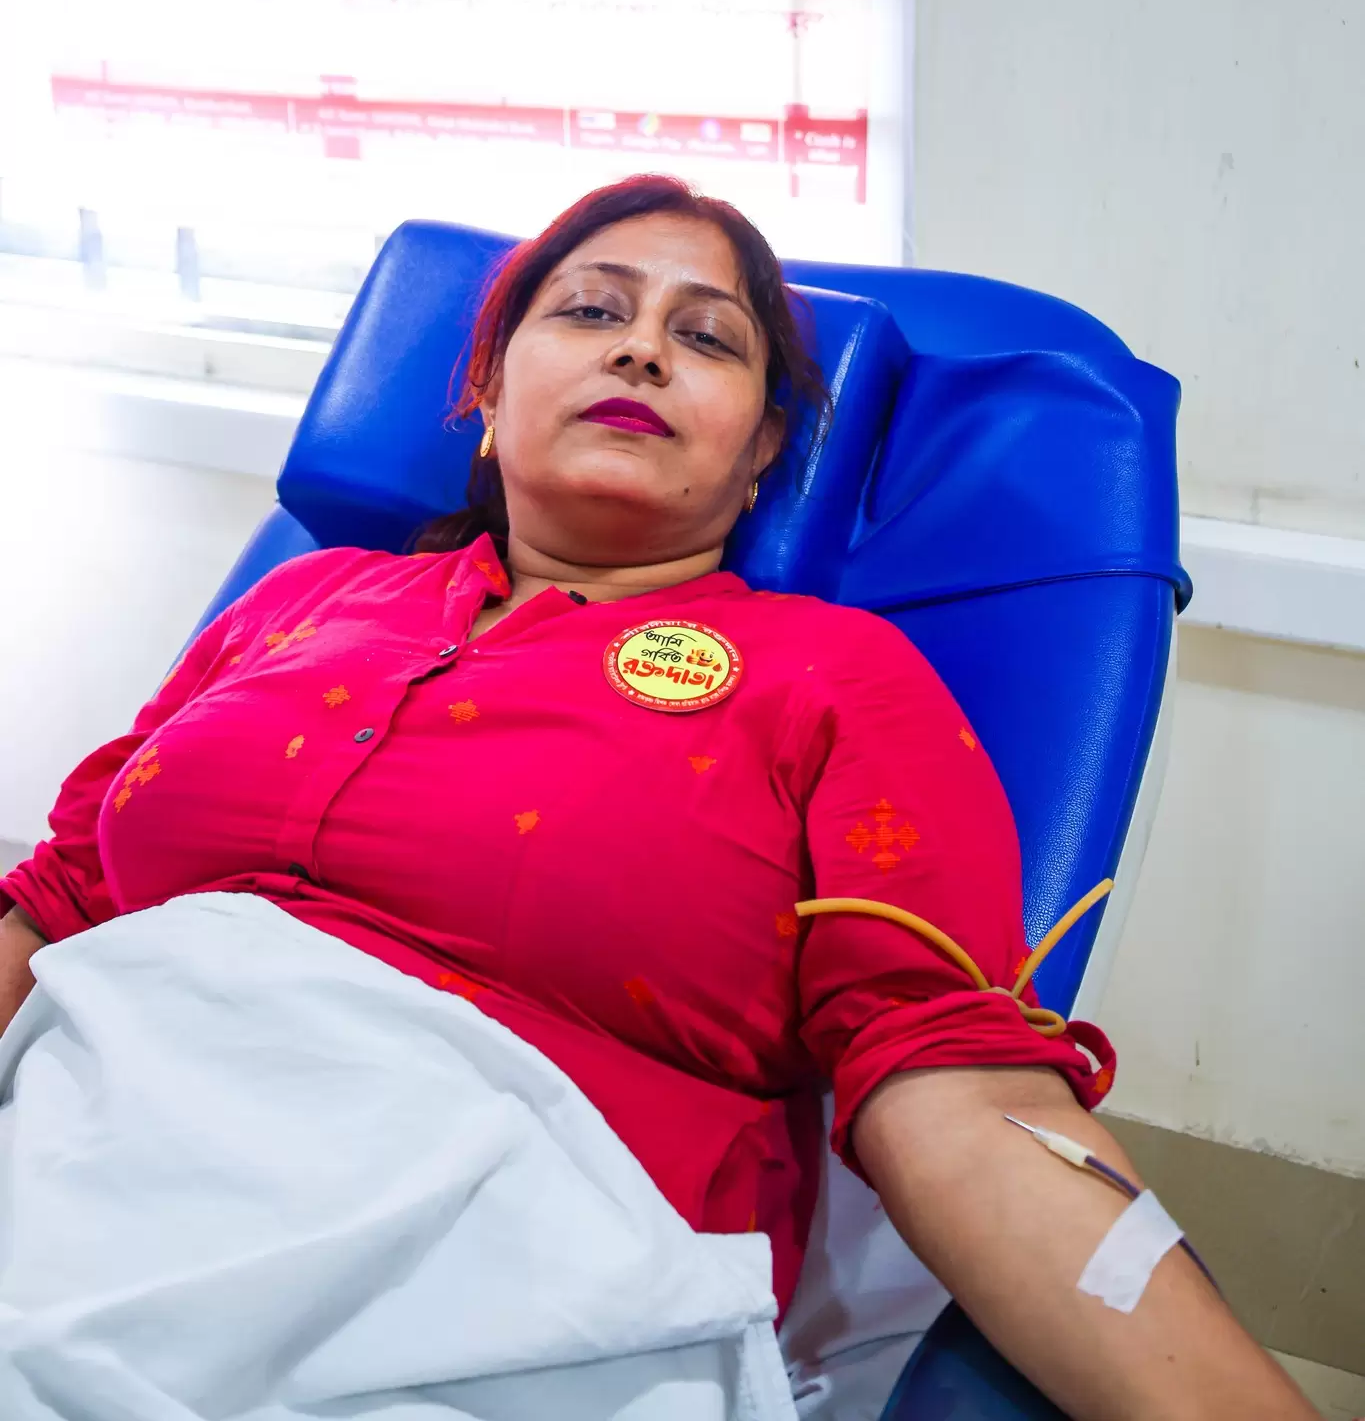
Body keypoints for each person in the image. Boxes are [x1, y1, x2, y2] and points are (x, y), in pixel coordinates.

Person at [0, 176, 1310, 1421]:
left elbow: (955, 1087)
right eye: (591, 310)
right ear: (487, 388)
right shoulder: (302, 599)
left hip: (482, 1290)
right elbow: (58, 901)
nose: (640, 351)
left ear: (764, 450)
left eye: (707, 338)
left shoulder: (833, 675)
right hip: (67, 1163)